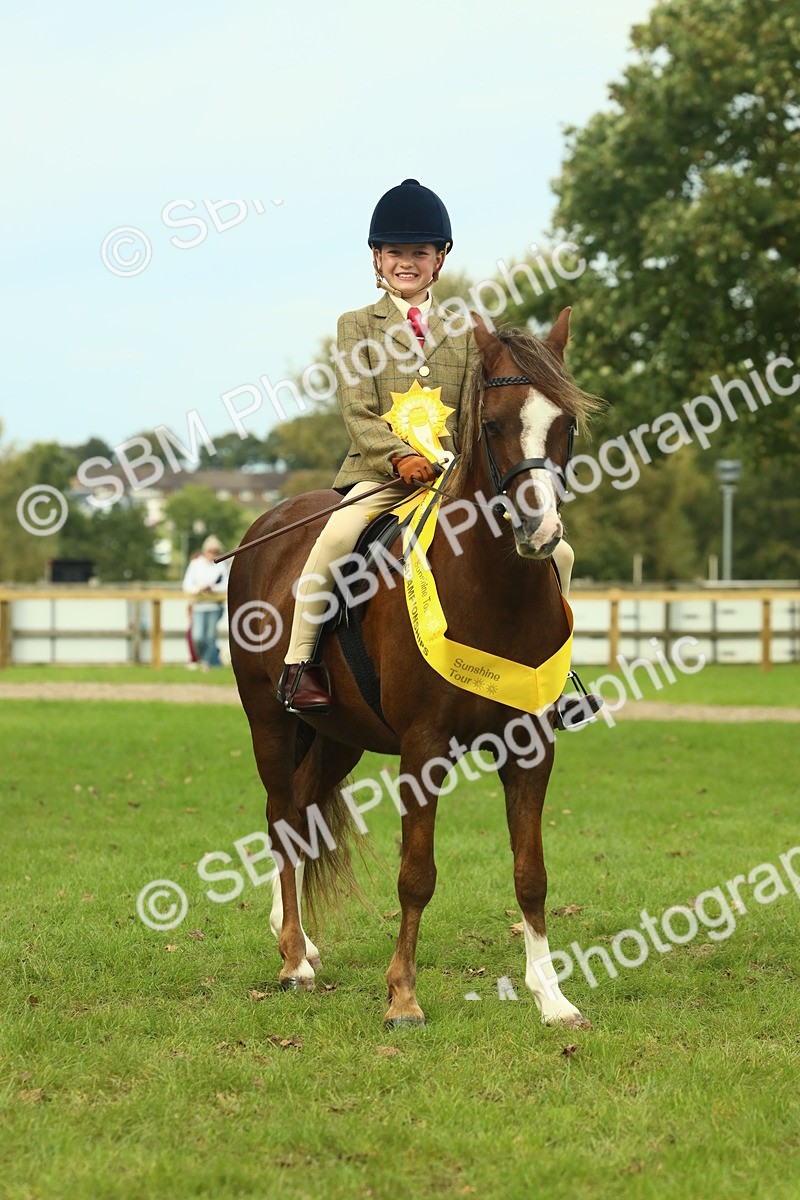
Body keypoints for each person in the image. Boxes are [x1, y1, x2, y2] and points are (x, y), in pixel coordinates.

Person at [279, 179, 602, 730]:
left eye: (419, 254)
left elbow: (484, 413)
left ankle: (553, 679)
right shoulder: (356, 326)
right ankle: (300, 662)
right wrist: (399, 457)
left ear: (439, 259)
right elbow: (358, 413)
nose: (408, 263)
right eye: (397, 254)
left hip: (452, 481)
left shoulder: (464, 332)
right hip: (380, 477)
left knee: (561, 555)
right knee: (333, 538)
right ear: (378, 259)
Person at [182, 535, 228, 671]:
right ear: (205, 550)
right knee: (197, 636)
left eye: (215, 551)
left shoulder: (221, 565)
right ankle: (206, 659)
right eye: (210, 551)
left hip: (215, 606)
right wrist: (198, 589)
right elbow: (187, 584)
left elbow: (225, 584)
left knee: (210, 636)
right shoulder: (195, 564)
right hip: (199, 605)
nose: (213, 553)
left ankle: (207, 663)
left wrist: (213, 588)